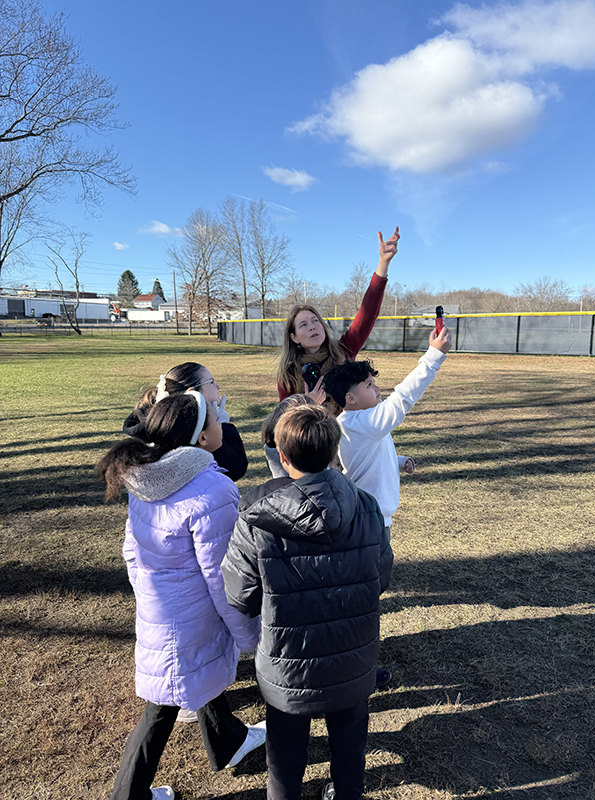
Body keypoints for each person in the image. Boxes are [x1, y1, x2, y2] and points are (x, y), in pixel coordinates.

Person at [97, 392, 264, 800]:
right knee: (163, 705)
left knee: (190, 676)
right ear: (203, 439)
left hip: (162, 606)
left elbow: (131, 549)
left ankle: (229, 740)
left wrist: (150, 593)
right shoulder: (212, 488)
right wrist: (249, 635)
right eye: (215, 418)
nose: (222, 423)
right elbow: (222, 575)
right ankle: (128, 794)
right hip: (192, 615)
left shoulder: (144, 476)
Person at [222, 405, 393, 800]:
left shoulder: (254, 515)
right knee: (350, 740)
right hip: (353, 653)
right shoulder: (367, 505)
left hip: (286, 662)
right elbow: (380, 576)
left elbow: (240, 595)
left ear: (281, 456)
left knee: (284, 751)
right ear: (335, 451)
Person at [324, 326, 452, 532]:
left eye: (374, 383)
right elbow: (402, 398)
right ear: (350, 398)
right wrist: (433, 357)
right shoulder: (363, 422)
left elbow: (367, 459)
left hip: (366, 514)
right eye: (368, 385)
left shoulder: (353, 422)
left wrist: (398, 462)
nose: (377, 389)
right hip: (369, 519)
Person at [276, 227, 401, 403]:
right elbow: (283, 422)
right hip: (309, 430)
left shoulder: (343, 352)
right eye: (303, 325)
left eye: (315, 320)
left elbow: (367, 314)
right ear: (294, 337)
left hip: (347, 430)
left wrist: (383, 264)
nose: (312, 326)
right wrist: (307, 404)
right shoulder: (288, 373)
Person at [123, 361, 248, 482]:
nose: (218, 387)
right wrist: (222, 426)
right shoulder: (183, 433)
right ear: (192, 393)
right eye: (212, 382)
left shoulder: (162, 426)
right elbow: (234, 468)